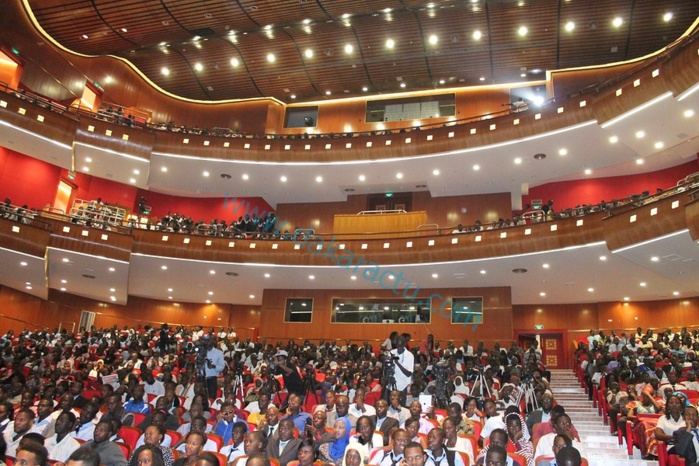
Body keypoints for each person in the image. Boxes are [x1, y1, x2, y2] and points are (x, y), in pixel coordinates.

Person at [390, 335, 414, 403]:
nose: (399, 348)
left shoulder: (409, 355)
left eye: (401, 346)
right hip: (392, 385)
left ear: (404, 344)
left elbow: (408, 374)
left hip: (403, 386)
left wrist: (397, 363)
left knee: (402, 408)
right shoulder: (392, 352)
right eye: (397, 346)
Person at [203, 335, 225, 399]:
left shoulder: (219, 353)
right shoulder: (202, 351)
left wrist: (214, 366)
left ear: (213, 342)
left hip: (212, 379)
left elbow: (221, 366)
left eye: (209, 341)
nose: (207, 342)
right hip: (201, 378)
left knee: (211, 398)